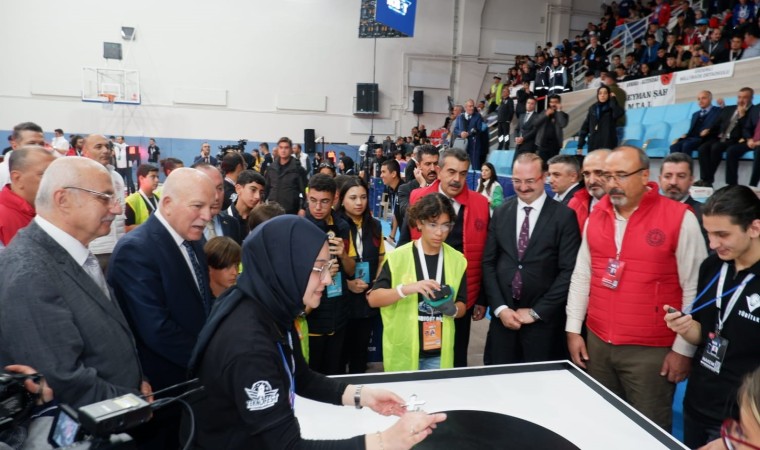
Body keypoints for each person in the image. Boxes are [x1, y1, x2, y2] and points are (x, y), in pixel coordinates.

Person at [188, 216, 446, 449]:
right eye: (318, 268)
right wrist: (385, 442)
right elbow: (288, 446)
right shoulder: (249, 346)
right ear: (286, 266)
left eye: (328, 267)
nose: (327, 279)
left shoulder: (270, 306)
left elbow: (300, 376)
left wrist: (363, 396)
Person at [565, 145, 708, 430]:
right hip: (597, 343)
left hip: (650, 351)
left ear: (644, 176)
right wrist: (573, 329)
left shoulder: (680, 218)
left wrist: (684, 349)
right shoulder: (596, 216)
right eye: (608, 176)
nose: (612, 183)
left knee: (647, 430)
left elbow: (695, 288)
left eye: (621, 175)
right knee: (601, 424)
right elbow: (582, 275)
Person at [0, 157, 146, 409]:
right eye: (104, 197)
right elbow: (62, 380)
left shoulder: (74, 253)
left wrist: (138, 378)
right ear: (63, 199)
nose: (116, 209)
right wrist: (130, 404)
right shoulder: (29, 273)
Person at [664, 185, 760, 448]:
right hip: (698, 402)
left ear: (754, 228)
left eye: (722, 234)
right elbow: (704, 334)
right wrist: (686, 328)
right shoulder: (712, 266)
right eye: (708, 233)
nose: (713, 244)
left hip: (742, 421)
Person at [109, 167, 215, 391]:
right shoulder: (136, 250)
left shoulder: (194, 239)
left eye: (210, 207)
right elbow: (156, 329)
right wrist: (212, 359)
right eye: (198, 206)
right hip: (166, 386)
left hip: (197, 381)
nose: (207, 216)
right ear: (167, 204)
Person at [483, 153, 581, 364]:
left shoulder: (564, 217)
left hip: (544, 327)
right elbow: (489, 262)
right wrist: (500, 308)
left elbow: (568, 271)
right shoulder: (501, 212)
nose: (523, 187)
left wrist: (537, 312)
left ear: (544, 177)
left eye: (530, 181)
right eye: (517, 181)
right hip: (503, 322)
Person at [400, 148, 490, 367]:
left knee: (456, 356)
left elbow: (486, 254)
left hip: (462, 297)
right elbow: (404, 242)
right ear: (439, 171)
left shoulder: (481, 204)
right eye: (451, 172)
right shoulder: (418, 197)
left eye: (463, 173)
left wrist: (481, 299)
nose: (457, 179)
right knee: (418, 354)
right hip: (421, 294)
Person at [369, 193, 468, 371]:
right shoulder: (398, 257)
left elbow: (462, 305)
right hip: (404, 349)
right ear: (420, 223)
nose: (440, 232)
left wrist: (452, 310)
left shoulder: (457, 260)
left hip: (439, 352)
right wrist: (407, 289)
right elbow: (373, 299)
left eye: (446, 225)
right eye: (433, 224)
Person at [303, 174, 354, 375]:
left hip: (338, 311)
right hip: (311, 313)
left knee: (335, 372)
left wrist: (343, 255)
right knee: (312, 374)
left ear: (334, 199)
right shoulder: (298, 227)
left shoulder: (342, 226)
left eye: (324, 201)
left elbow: (351, 270)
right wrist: (320, 271)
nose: (317, 207)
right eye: (313, 200)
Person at [337, 177, 385, 374]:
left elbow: (381, 258)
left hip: (367, 298)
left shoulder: (375, 226)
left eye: (363, 197)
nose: (359, 202)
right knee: (339, 355)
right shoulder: (336, 226)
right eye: (353, 197)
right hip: (342, 299)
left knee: (361, 353)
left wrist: (377, 283)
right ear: (342, 200)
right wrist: (347, 284)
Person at [82, 134, 127, 272]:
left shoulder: (117, 177)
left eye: (107, 146)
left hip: (118, 247)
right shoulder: (80, 177)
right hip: (95, 249)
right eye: (99, 147)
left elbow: (121, 212)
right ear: (85, 151)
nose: (106, 150)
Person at [696, 88, 753, 187]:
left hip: (735, 139)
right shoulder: (729, 109)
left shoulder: (753, 111)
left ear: (751, 98)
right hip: (721, 137)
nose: (741, 100)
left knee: (716, 147)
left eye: (745, 97)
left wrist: (742, 116)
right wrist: (708, 130)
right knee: (702, 148)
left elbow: (748, 130)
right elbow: (717, 124)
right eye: (739, 97)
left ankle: (707, 180)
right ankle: (704, 178)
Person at [0, 146, 55, 248]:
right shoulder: (3, 217)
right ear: (17, 178)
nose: (55, 181)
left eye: (56, 174)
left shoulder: (51, 210)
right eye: (45, 174)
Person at [660, 152, 708, 245]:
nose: (673, 182)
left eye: (681, 176)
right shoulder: (648, 211)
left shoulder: (704, 214)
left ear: (691, 180)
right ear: (660, 179)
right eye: (667, 176)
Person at [194, 162, 243, 245]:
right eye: (209, 189)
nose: (216, 197)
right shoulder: (183, 227)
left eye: (220, 188)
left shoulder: (232, 223)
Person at [568, 149, 610, 230]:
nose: (592, 181)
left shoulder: (628, 206)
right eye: (587, 174)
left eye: (599, 173)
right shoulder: (575, 204)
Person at [264, 137, 307, 215]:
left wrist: (303, 208)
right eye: (281, 147)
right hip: (272, 209)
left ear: (291, 150)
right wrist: (261, 202)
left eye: (286, 148)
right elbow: (266, 188)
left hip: (291, 210)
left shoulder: (298, 169)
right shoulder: (271, 168)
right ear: (278, 149)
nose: (283, 150)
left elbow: (305, 191)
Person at [670, 90, 721, 155]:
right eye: (698, 99)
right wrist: (684, 136)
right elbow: (692, 130)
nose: (700, 101)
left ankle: (686, 162)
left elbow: (722, 123)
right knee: (674, 146)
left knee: (686, 145)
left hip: (705, 138)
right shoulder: (695, 114)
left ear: (710, 99)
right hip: (691, 138)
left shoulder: (717, 111)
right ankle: (677, 162)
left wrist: (709, 130)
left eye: (703, 98)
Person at [578, 86, 625, 152]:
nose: (602, 95)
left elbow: (618, 113)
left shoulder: (612, 107)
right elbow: (585, 127)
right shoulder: (593, 108)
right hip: (593, 145)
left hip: (608, 144)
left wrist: (613, 99)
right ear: (598, 95)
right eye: (600, 93)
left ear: (609, 95)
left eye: (605, 93)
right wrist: (580, 145)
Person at [726, 97, 760, 186]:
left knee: (759, 151)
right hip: (752, 141)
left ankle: (753, 185)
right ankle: (732, 185)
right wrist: (749, 139)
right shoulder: (756, 108)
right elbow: (747, 127)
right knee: (732, 150)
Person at [228, 169, 265, 236]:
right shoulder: (224, 219)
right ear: (238, 189)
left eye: (261, 193)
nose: (258, 196)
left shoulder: (261, 220)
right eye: (253, 190)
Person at [124, 163, 160, 232]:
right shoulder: (131, 201)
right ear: (141, 178)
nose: (157, 180)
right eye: (153, 177)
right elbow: (125, 228)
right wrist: (149, 226)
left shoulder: (158, 198)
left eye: (157, 177)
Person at [533, 94, 569, 161]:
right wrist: (546, 115)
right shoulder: (544, 112)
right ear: (549, 103)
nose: (553, 104)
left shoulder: (563, 115)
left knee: (553, 164)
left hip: (555, 145)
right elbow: (535, 123)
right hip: (542, 143)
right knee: (542, 164)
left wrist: (559, 111)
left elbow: (562, 124)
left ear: (559, 103)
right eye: (551, 102)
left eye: (556, 102)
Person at [453, 99, 487, 167]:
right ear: (465, 107)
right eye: (470, 106)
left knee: (475, 166)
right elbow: (455, 130)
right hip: (463, 146)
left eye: (473, 106)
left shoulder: (478, 116)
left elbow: (479, 129)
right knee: (460, 165)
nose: (472, 108)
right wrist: (461, 133)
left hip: (474, 146)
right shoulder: (460, 117)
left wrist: (468, 133)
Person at [380, 159, 404, 240]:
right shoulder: (390, 189)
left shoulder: (404, 191)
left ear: (393, 174)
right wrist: (392, 236)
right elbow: (396, 212)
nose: (381, 175)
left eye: (383, 172)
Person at [496, 84, 515, 150]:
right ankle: (500, 145)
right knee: (500, 134)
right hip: (500, 120)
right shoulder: (501, 100)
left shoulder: (510, 100)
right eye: (503, 91)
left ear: (508, 93)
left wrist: (508, 119)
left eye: (504, 91)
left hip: (505, 121)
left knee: (506, 135)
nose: (503, 92)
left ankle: (506, 146)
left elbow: (511, 111)